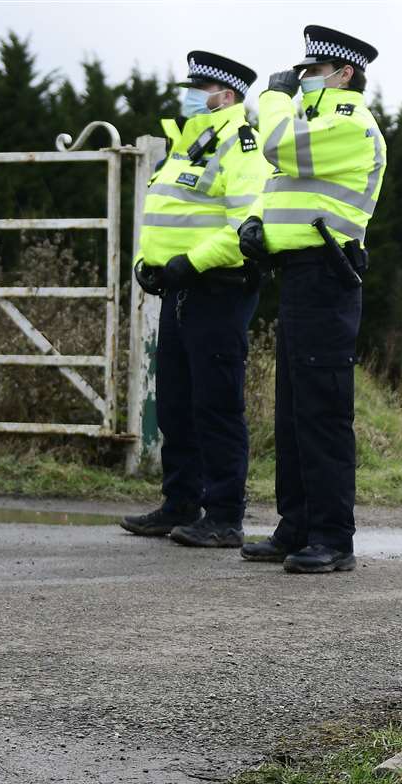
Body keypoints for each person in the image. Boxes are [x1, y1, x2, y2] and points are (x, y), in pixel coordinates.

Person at [235, 26, 386, 574]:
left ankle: (332, 537)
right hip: (297, 275)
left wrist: (273, 97)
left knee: (322, 410)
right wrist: (256, 225)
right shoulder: (315, 122)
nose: (303, 81)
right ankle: (295, 526)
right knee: (294, 409)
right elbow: (277, 184)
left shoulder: (350, 124)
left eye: (312, 72)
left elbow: (278, 148)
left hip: (327, 275)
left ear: (344, 74)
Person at [121, 51, 269, 548]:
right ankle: (180, 502)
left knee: (216, 403)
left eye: (198, 88)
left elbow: (246, 225)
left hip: (219, 288)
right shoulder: (188, 144)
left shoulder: (241, 145)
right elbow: (167, 213)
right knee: (177, 404)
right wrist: (150, 262)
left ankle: (225, 515)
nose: (188, 95)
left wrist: (190, 263)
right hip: (181, 288)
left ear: (224, 96)